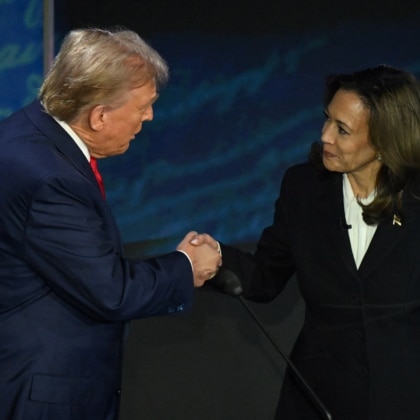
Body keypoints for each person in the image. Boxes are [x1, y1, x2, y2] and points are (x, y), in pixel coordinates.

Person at [0, 27, 221, 420]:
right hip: (44, 392)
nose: (149, 117)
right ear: (99, 115)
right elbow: (111, 291)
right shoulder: (52, 179)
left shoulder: (28, 128)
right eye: (142, 107)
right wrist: (187, 265)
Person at [196, 65, 420, 419]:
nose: (325, 135)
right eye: (327, 119)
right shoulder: (303, 188)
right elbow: (266, 275)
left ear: (385, 140)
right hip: (318, 398)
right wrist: (216, 258)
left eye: (342, 129)